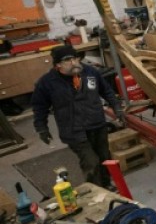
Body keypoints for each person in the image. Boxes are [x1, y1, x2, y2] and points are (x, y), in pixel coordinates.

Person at [32, 44, 123, 188]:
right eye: (68, 60)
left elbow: (107, 91)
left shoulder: (91, 72)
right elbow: (39, 107)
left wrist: (117, 108)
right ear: (58, 65)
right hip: (74, 130)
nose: (74, 62)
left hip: (97, 124)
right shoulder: (47, 83)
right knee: (91, 162)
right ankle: (96, 189)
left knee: (104, 157)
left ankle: (107, 184)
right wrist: (41, 128)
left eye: (75, 58)